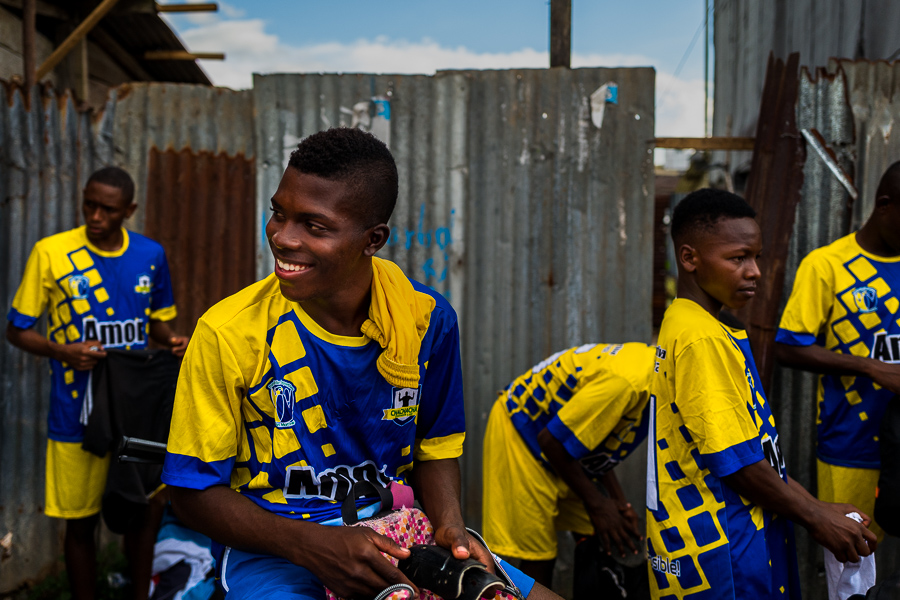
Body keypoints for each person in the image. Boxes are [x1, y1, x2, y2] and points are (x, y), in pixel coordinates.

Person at [160, 128, 557, 600]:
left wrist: (451, 530)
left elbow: (436, 446)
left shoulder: (426, 321)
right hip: (277, 549)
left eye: (314, 225)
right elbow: (189, 492)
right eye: (279, 214)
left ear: (373, 239)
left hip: (400, 536)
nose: (283, 239)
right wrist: (313, 545)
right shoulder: (228, 332)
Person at [646, 188, 876, 600]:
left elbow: (755, 451)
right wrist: (815, 519)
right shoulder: (700, 338)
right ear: (690, 258)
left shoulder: (700, 325)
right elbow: (737, 466)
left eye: (756, 257)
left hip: (729, 538)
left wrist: (818, 505)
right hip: (723, 550)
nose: (754, 271)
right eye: (738, 258)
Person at [5, 166, 189, 600]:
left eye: (107, 208)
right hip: (77, 408)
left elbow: (158, 325)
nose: (95, 215)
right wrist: (61, 350)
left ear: (130, 210)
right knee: (80, 519)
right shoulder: (51, 253)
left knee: (145, 509)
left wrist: (173, 342)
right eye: (89, 204)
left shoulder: (150, 255)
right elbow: (16, 329)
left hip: (136, 409)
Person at [775, 162, 900, 543]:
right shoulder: (827, 265)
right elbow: (788, 347)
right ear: (884, 205)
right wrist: (870, 367)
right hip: (850, 444)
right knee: (856, 559)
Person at [482, 342, 653, 588]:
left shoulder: (653, 372)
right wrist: (598, 504)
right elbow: (551, 441)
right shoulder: (630, 383)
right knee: (538, 554)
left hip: (563, 448)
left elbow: (595, 438)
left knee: (602, 534)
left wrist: (618, 503)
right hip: (524, 430)